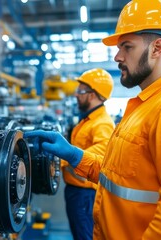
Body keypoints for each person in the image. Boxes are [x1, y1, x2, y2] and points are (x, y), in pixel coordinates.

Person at [24, 0, 161, 239]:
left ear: (157, 48)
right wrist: (75, 155)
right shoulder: (144, 107)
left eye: (126, 47)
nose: (117, 56)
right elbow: (116, 176)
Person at [63, 68, 115, 240]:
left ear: (92, 94)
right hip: (76, 191)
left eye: (80, 91)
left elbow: (99, 158)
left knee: (85, 236)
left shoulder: (102, 124)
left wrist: (62, 157)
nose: (76, 95)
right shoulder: (88, 119)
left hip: (85, 195)